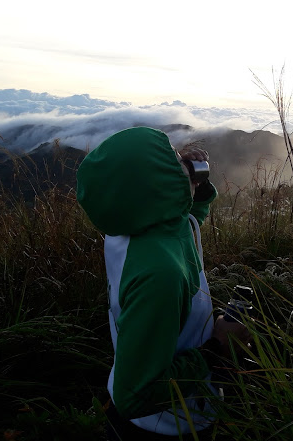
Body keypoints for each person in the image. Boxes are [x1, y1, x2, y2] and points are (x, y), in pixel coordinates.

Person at [76, 126, 249, 440]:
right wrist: (217, 348)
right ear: (155, 186)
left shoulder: (129, 227)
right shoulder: (160, 275)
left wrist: (196, 187)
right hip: (164, 427)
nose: (182, 161)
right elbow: (136, 396)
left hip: (183, 410)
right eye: (172, 160)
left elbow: (184, 223)